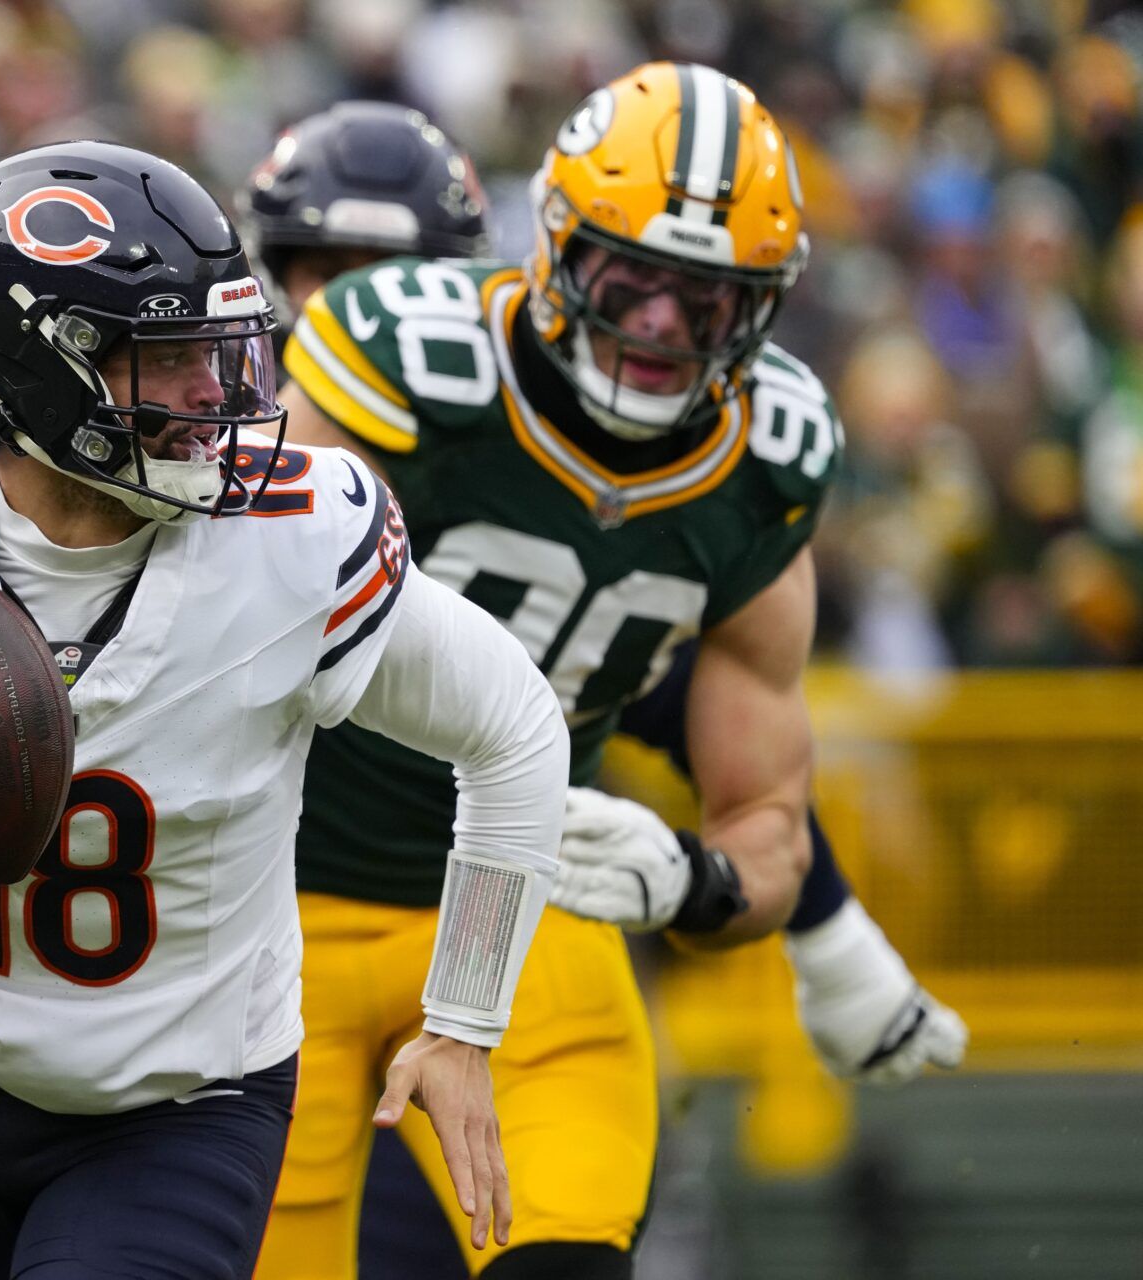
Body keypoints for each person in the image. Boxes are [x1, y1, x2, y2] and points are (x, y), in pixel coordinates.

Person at [0, 140, 571, 1280]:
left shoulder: (293, 539)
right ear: (34, 368)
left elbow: (516, 728)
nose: (215, 395)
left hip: (184, 1104)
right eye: (167, 358)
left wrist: (465, 1020)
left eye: (219, 352)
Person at [252, 74, 967, 1280]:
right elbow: (222, 620)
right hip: (271, 910)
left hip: (513, 909)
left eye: (707, 297)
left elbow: (759, 805)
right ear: (554, 248)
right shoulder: (401, 366)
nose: (660, 325)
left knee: (567, 1256)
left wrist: (694, 879)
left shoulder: (768, 456)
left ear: (763, 306)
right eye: (631, 278)